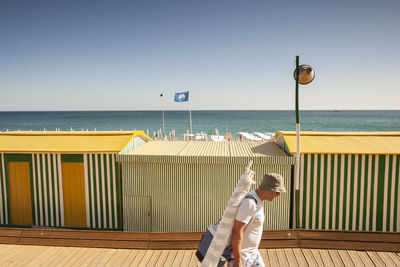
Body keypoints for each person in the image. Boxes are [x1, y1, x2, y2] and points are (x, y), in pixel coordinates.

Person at [230, 173, 286, 267]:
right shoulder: (249, 203)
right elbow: (236, 231)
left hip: (253, 254)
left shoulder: (258, 202)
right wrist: (237, 260)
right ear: (268, 189)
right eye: (277, 191)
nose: (277, 195)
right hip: (242, 258)